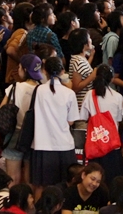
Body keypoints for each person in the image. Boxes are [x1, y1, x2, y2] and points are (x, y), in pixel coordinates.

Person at [30, 57, 79, 197]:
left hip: (42, 145)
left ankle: (40, 208)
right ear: (62, 71)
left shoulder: (38, 90)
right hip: (64, 145)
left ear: (44, 71)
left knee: (40, 186)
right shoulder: (69, 93)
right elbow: (71, 121)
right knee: (65, 186)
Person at [0, 53, 42, 185]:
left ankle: (13, 198)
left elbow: (2, 108)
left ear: (24, 69)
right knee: (30, 178)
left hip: (15, 135)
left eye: (19, 67)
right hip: (35, 135)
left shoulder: (15, 87)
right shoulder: (41, 89)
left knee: (12, 177)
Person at [80, 64, 123, 184]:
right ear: (111, 79)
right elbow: (119, 119)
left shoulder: (90, 95)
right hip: (112, 144)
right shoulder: (118, 97)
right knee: (112, 180)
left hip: (96, 143)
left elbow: (83, 117)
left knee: (95, 180)